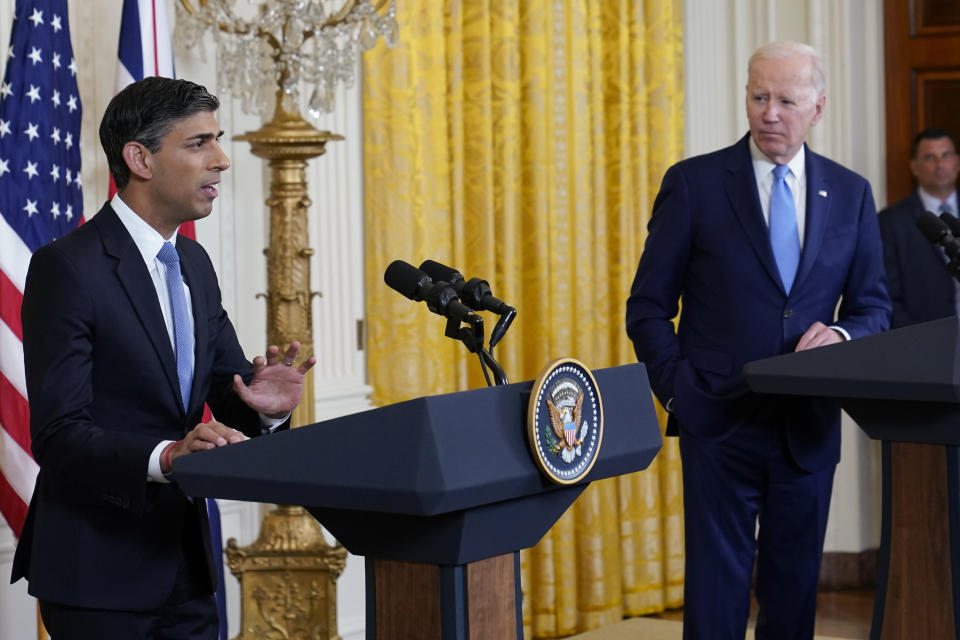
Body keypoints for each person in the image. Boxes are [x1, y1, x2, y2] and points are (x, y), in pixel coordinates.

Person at [10, 77, 316, 639]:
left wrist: (266, 407)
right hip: (97, 575)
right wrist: (168, 455)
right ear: (140, 158)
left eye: (217, 140)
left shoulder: (194, 266)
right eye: (199, 143)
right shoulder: (68, 268)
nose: (221, 160)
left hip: (186, 567)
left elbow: (229, 403)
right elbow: (59, 433)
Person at [625, 42, 890, 639]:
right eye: (758, 97)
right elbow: (646, 308)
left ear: (817, 108)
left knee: (793, 595)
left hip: (808, 427)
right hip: (715, 418)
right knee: (716, 599)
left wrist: (843, 333)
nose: (770, 113)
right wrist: (677, 392)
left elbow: (875, 307)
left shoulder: (850, 194)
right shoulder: (693, 184)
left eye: (786, 101)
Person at [878, 128, 960, 328]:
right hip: (928, 343)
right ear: (914, 167)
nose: (940, 165)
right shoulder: (890, 221)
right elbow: (887, 295)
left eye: (946, 155)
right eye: (930, 157)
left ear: (957, 162)